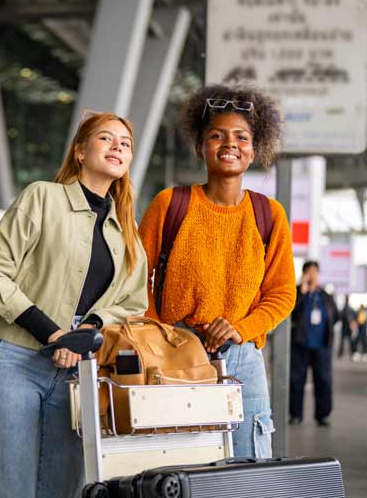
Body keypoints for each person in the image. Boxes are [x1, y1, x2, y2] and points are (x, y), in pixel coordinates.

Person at [0, 111, 149, 498]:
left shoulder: (127, 231)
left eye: (126, 143)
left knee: (64, 485)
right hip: (17, 357)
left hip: (81, 368)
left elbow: (132, 302)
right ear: (80, 151)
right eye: (106, 138)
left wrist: (86, 331)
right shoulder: (42, 197)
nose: (117, 146)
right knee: (12, 484)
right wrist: (52, 334)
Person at [139, 85, 296, 458]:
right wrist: (159, 337)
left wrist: (240, 328)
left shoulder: (269, 214)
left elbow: (282, 293)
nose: (230, 145)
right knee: (180, 464)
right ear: (200, 147)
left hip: (243, 358)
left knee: (248, 469)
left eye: (241, 137)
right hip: (176, 355)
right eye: (217, 136)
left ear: (254, 151)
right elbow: (134, 279)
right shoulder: (170, 204)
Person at [289, 261, 339, 427]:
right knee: (296, 380)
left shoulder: (326, 296)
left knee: (323, 380)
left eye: (315, 272)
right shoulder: (297, 293)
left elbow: (335, 316)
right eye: (309, 272)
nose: (312, 275)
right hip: (300, 345)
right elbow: (291, 313)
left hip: (322, 346)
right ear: (304, 274)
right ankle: (295, 414)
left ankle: (322, 415)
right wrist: (302, 292)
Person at [338, 295, 355, 359]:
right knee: (347, 341)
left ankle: (348, 353)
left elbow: (340, 317)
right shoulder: (347, 309)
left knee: (347, 341)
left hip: (346, 327)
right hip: (346, 327)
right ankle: (350, 353)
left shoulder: (345, 309)